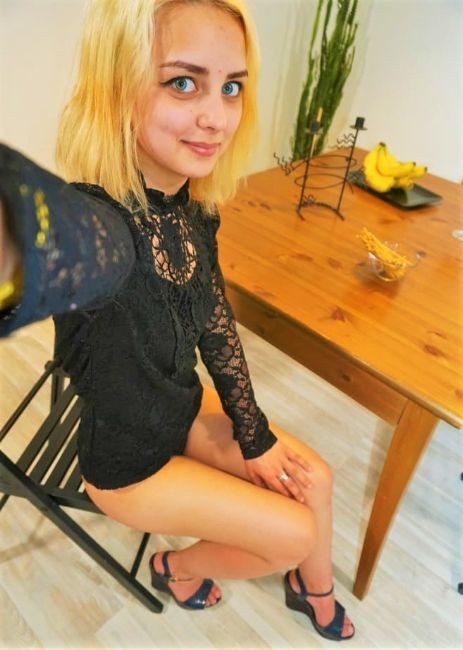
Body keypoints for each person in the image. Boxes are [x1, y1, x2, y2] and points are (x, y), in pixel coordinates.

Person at [0, 0, 354, 641]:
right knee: (293, 533)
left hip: (180, 407)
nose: (217, 117)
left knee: (317, 483)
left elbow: (215, 324)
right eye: (183, 82)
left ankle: (313, 588)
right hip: (128, 464)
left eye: (231, 87)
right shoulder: (103, 224)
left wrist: (254, 434)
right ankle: (176, 569)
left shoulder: (194, 212)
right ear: (119, 86)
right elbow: (54, 241)